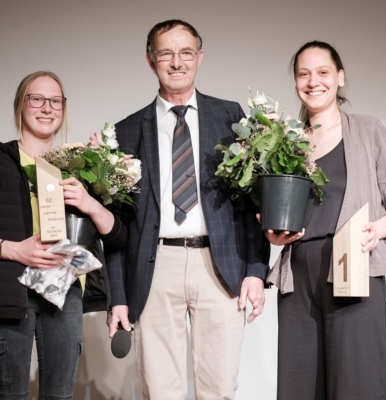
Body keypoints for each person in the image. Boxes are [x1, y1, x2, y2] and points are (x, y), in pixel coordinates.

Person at [104, 19, 268, 400]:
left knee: (219, 388)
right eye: (166, 53)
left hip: (220, 264)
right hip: (154, 266)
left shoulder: (231, 118)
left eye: (185, 53)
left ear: (199, 58)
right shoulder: (127, 131)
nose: (176, 62)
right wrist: (118, 296)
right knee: (160, 390)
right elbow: (117, 224)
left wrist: (256, 271)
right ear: (151, 61)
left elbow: (252, 201)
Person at [263, 41, 386, 400]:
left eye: (323, 72)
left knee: (360, 382)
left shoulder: (370, 131)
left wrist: (378, 229)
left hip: (353, 265)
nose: (313, 82)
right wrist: (273, 233)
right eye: (303, 74)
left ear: (340, 77)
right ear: (295, 81)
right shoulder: (285, 143)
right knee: (300, 384)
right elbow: (273, 208)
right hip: (298, 274)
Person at [0, 71, 126, 399]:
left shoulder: (81, 168)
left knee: (60, 396)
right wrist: (13, 250)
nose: (47, 108)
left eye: (55, 101)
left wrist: (90, 200)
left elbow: (118, 237)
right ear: (21, 105)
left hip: (65, 290)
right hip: (10, 292)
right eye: (37, 99)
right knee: (11, 396)